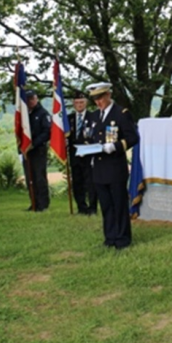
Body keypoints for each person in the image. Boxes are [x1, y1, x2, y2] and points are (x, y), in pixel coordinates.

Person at [85, 82, 139, 249]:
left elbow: (133, 138)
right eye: (95, 99)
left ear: (108, 95)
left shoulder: (121, 114)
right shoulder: (94, 116)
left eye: (100, 98)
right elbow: (90, 136)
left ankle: (123, 239)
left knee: (119, 204)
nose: (98, 102)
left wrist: (115, 146)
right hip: (99, 168)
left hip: (115, 166)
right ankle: (110, 238)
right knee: (106, 205)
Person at [67, 91, 97, 215]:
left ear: (86, 103)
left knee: (90, 182)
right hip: (75, 155)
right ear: (73, 104)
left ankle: (92, 207)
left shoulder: (93, 117)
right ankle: (81, 207)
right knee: (77, 182)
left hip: (89, 154)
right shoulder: (69, 119)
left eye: (82, 102)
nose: (79, 105)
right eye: (77, 102)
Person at [22, 90, 51, 211]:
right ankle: (33, 202)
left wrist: (33, 144)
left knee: (39, 177)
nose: (30, 101)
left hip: (38, 149)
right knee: (30, 178)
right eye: (28, 99)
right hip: (27, 151)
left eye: (32, 99)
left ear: (37, 98)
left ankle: (43, 203)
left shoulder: (43, 113)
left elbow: (47, 132)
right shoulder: (24, 114)